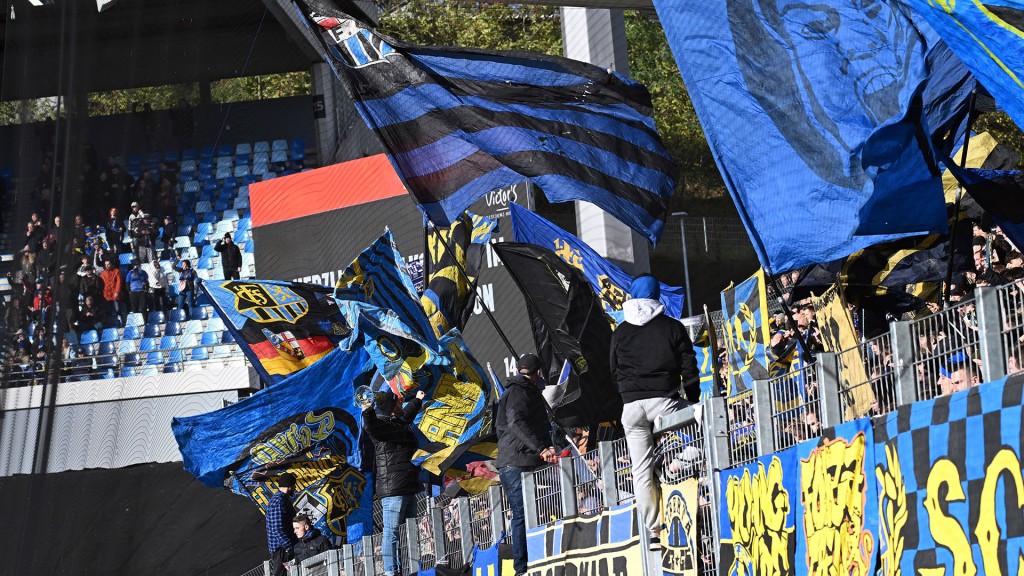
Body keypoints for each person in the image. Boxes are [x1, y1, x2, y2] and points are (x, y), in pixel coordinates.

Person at [610, 275, 699, 551]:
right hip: (665, 402)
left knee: (640, 471)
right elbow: (689, 366)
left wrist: (627, 396)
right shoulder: (672, 327)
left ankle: (652, 532)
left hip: (631, 408)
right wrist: (693, 400)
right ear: (657, 296)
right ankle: (689, 467)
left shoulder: (620, 332)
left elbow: (613, 371)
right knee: (701, 424)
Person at [496, 353, 556, 576]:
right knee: (521, 513)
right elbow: (516, 423)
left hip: (526, 459)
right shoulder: (518, 393)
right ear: (537, 372)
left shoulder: (525, 391)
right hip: (517, 462)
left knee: (541, 506)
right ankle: (522, 568)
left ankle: (539, 556)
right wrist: (541, 448)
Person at [361, 389, 427, 576]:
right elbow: (370, 425)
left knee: (411, 531)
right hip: (393, 490)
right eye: (397, 403)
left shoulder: (396, 422)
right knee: (391, 533)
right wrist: (367, 410)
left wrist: (417, 400)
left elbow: (406, 415)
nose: (401, 405)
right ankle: (391, 572)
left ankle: (413, 569)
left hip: (408, 486)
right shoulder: (380, 425)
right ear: (390, 408)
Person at [266, 472, 299, 576]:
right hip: (282, 549)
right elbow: (277, 529)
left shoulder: (282, 500)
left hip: (283, 548)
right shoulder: (279, 502)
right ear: (289, 486)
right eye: (294, 485)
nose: (295, 488)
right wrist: (289, 548)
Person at [100, 260, 126, 326]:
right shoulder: (103, 273)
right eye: (106, 264)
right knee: (109, 311)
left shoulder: (116, 271)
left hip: (115, 294)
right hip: (106, 295)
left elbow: (119, 282)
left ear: (111, 264)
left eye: (108, 264)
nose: (107, 266)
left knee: (117, 310)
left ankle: (120, 323)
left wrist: (117, 291)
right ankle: (111, 324)